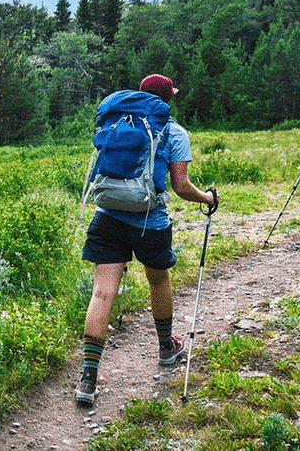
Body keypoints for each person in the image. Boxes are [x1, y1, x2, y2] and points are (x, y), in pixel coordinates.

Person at [75, 73, 217, 405]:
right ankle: (167, 348)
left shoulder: (117, 124)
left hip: (107, 215)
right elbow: (181, 187)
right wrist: (208, 199)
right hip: (150, 223)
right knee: (158, 280)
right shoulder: (176, 132)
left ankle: (88, 379)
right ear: (168, 99)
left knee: (102, 292)